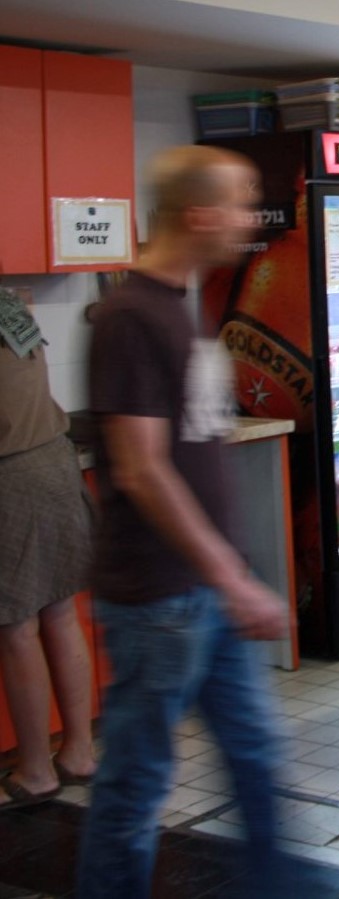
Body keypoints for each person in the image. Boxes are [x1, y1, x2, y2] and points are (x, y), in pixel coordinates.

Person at [78, 145, 288, 897]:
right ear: (199, 214)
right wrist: (230, 575)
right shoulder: (131, 316)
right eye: (240, 204)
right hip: (159, 599)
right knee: (136, 785)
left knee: (256, 756)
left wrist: (228, 575)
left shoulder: (180, 302)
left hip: (205, 591)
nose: (250, 219)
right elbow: (141, 468)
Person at [0, 286, 97, 811]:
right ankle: (78, 752)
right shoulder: (9, 303)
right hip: (55, 461)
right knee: (59, 613)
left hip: (12, 477)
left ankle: (36, 770)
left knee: (16, 628)